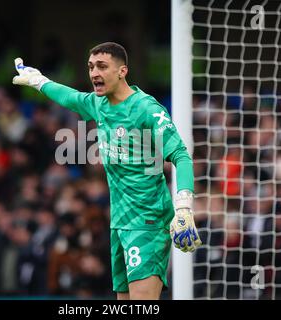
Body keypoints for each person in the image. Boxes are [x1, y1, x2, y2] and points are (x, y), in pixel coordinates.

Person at [12, 42, 201, 300]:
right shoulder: (99, 103)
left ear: (122, 71)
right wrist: (39, 82)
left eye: (102, 66)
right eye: (91, 67)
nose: (94, 73)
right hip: (119, 223)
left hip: (148, 222)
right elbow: (71, 97)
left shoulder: (147, 108)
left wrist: (183, 207)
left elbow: (181, 155)